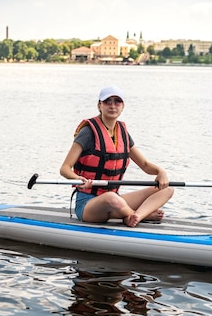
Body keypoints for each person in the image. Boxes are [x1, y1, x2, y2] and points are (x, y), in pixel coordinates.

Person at [60, 85, 174, 227]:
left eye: (117, 102)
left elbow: (144, 165)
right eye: (107, 101)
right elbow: (64, 168)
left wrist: (161, 172)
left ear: (122, 106)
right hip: (88, 204)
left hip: (116, 199)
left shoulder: (123, 133)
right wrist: (77, 179)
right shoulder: (88, 132)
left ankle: (135, 216)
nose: (112, 106)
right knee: (111, 198)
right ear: (99, 105)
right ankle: (137, 214)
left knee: (167, 190)